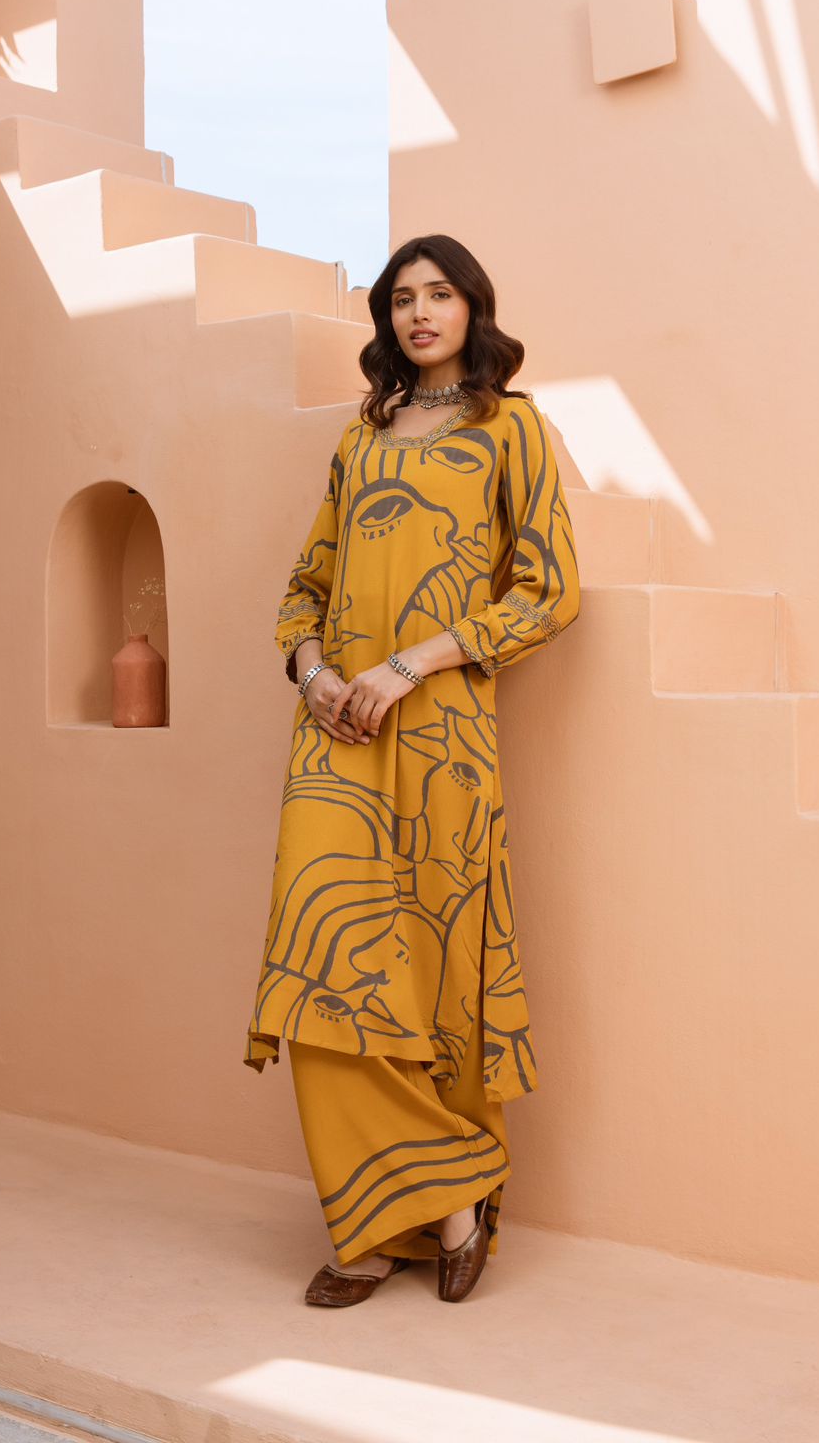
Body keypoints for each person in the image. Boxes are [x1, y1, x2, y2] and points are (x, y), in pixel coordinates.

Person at [244, 233, 581, 1306]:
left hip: (442, 736)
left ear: (474, 307)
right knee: (322, 973)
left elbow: (548, 592)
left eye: (439, 295)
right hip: (337, 737)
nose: (420, 313)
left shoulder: (511, 429)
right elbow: (305, 583)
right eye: (401, 299)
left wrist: (410, 663)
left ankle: (423, 1212)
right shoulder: (363, 433)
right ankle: (412, 1207)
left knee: (434, 976)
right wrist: (312, 673)